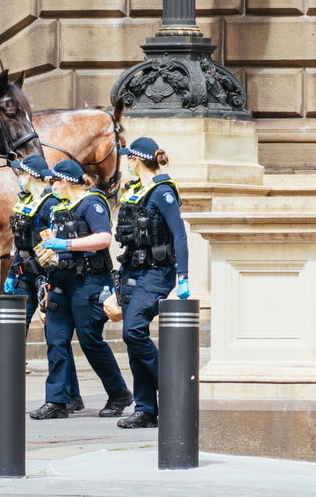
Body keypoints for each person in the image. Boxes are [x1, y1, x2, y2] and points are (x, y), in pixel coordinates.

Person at [29, 159, 132, 420]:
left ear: (65, 181)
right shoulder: (58, 208)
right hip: (60, 282)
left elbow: (103, 238)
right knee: (56, 341)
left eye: (54, 180)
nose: (52, 185)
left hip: (88, 283)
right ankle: (57, 401)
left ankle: (119, 394)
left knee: (90, 341)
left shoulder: (92, 203)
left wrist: (65, 244)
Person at [0, 155, 83, 412]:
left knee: (56, 340)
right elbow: (18, 244)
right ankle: (1, 393)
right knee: (10, 333)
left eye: (21, 173)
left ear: (30, 175)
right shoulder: (26, 203)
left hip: (43, 278)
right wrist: (11, 274)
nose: (19, 178)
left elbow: (51, 246)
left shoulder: (50, 204)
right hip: (23, 275)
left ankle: (69, 395)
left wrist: (50, 279)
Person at [113, 137, 190, 429]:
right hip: (132, 271)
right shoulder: (135, 191)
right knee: (133, 340)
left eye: (128, 158)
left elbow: (179, 235)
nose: (126, 163)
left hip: (156, 273)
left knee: (133, 331)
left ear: (135, 160)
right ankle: (146, 409)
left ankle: (172, 389)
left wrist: (182, 275)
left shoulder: (162, 192)